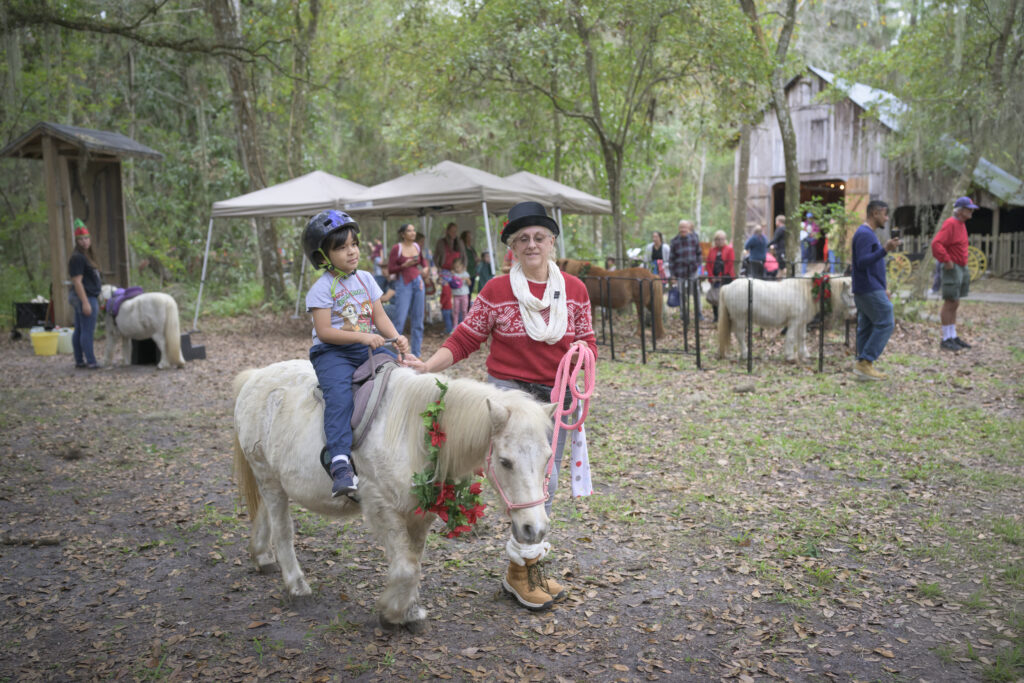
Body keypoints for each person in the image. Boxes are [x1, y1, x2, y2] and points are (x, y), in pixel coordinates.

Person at [403, 200, 597, 612]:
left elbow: (587, 341)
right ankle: (524, 572)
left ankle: (523, 569)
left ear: (552, 242)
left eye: (539, 237)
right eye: (523, 238)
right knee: (530, 482)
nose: (532, 244)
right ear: (512, 246)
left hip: (554, 401)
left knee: (544, 484)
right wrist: (427, 366)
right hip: (509, 400)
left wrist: (583, 363)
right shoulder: (496, 290)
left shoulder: (575, 290)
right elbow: (465, 338)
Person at [303, 210, 410, 497]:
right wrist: (362, 336)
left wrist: (396, 338)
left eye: (354, 244)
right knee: (339, 397)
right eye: (341, 247)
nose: (351, 251)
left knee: (399, 378)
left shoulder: (365, 279)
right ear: (323, 257)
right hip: (332, 352)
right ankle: (339, 462)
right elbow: (324, 331)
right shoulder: (321, 289)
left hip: (366, 346)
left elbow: (379, 316)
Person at [850, 200, 899, 381]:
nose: (887, 218)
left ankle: (862, 367)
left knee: (867, 326)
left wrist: (883, 288)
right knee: (886, 320)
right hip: (868, 287)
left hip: (870, 287)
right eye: (885, 214)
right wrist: (885, 249)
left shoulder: (868, 234)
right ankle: (866, 361)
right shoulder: (865, 234)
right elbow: (862, 262)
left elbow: (874, 265)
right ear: (875, 213)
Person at [932, 196, 977, 351]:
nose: (971, 211)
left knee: (955, 302)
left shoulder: (961, 224)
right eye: (968, 209)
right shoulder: (950, 223)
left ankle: (953, 335)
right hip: (953, 267)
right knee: (950, 301)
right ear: (960, 210)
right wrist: (946, 260)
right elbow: (936, 243)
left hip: (961, 266)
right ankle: (946, 339)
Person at [387, 223, 427, 357]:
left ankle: (416, 354)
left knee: (418, 320)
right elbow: (391, 269)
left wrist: (425, 269)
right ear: (403, 234)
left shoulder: (417, 246)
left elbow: (423, 262)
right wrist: (404, 265)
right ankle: (394, 354)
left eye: (414, 230)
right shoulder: (397, 248)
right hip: (403, 283)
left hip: (418, 283)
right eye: (409, 231)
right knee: (400, 320)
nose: (413, 233)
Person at [68, 219, 102, 369]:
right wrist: (86, 302)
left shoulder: (87, 256)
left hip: (85, 296)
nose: (84, 241)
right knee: (87, 330)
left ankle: (79, 360)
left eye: (86, 238)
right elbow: (77, 282)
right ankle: (91, 361)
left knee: (80, 329)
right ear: (77, 241)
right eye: (81, 239)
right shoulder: (78, 257)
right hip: (84, 296)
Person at [669, 219, 703, 321]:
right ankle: (684, 314)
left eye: (685, 227)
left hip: (693, 271)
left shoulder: (694, 238)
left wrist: (697, 265)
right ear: (678, 228)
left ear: (688, 228)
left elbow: (699, 253)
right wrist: (672, 275)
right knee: (682, 294)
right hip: (680, 272)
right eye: (681, 227)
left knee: (696, 292)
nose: (683, 229)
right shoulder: (674, 241)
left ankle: (698, 313)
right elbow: (671, 259)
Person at [704, 230, 735, 323]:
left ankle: (726, 317)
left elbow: (729, 264)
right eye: (717, 239)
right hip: (714, 277)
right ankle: (716, 317)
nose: (720, 241)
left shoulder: (729, 250)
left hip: (726, 277)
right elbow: (708, 264)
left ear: (725, 239)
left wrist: (721, 276)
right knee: (715, 297)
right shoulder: (712, 250)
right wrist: (711, 276)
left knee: (726, 298)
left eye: (722, 239)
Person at [450, 257, 471, 324]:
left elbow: (469, 284)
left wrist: (467, 279)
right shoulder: (453, 274)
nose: (456, 269)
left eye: (458, 267)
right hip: (456, 295)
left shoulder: (465, 274)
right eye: (455, 267)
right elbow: (450, 281)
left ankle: (465, 324)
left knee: (464, 310)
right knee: (456, 310)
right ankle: (455, 325)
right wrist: (452, 275)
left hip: (464, 295)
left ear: (462, 266)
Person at [460, 230, 478, 299]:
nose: (470, 238)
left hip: (473, 272)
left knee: (470, 291)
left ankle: (468, 305)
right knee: (465, 292)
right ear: (464, 238)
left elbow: (475, 257)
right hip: (466, 272)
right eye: (468, 236)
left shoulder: (471, 248)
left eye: (471, 236)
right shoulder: (462, 248)